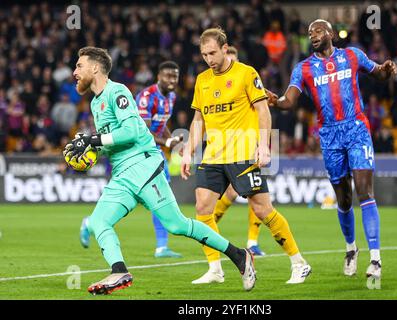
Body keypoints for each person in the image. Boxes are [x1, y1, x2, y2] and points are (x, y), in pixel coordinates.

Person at [65, 46, 256, 295]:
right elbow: (111, 141)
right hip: (122, 175)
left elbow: (132, 132)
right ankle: (119, 270)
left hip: (144, 166)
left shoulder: (117, 91)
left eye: (79, 66)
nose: (75, 72)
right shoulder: (96, 103)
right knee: (99, 221)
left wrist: (94, 140)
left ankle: (240, 256)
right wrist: (89, 153)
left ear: (95, 67)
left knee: (176, 225)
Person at [268, 19, 397, 284]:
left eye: (317, 31)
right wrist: (276, 101)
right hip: (329, 135)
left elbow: (379, 74)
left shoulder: (352, 55)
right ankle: (351, 249)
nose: (312, 35)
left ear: (329, 34)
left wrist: (386, 69)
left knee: (365, 191)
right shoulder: (303, 69)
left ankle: (375, 258)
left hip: (356, 128)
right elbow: (289, 100)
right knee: (344, 200)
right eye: (309, 33)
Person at [180, 28, 311, 285]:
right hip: (213, 156)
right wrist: (188, 150)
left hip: (243, 154)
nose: (209, 59)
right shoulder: (202, 80)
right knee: (202, 208)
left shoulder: (246, 73)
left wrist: (264, 146)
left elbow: (263, 111)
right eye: (204, 54)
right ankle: (215, 268)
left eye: (213, 53)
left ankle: (299, 262)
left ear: (225, 48)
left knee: (262, 210)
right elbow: (198, 120)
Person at [79, 61, 183, 259]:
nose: (172, 80)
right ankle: (92, 223)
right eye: (168, 76)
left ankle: (161, 246)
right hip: (134, 151)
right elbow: (142, 131)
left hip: (152, 151)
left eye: (175, 77)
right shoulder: (146, 97)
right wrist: (168, 142)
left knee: (153, 197)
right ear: (158, 76)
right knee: (137, 199)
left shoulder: (171, 96)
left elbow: (161, 124)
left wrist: (170, 139)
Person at [210, 45, 266, 256]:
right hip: (225, 146)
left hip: (250, 144)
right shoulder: (216, 83)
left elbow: (262, 109)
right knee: (233, 193)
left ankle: (252, 241)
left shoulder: (247, 77)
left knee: (254, 195)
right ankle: (211, 225)